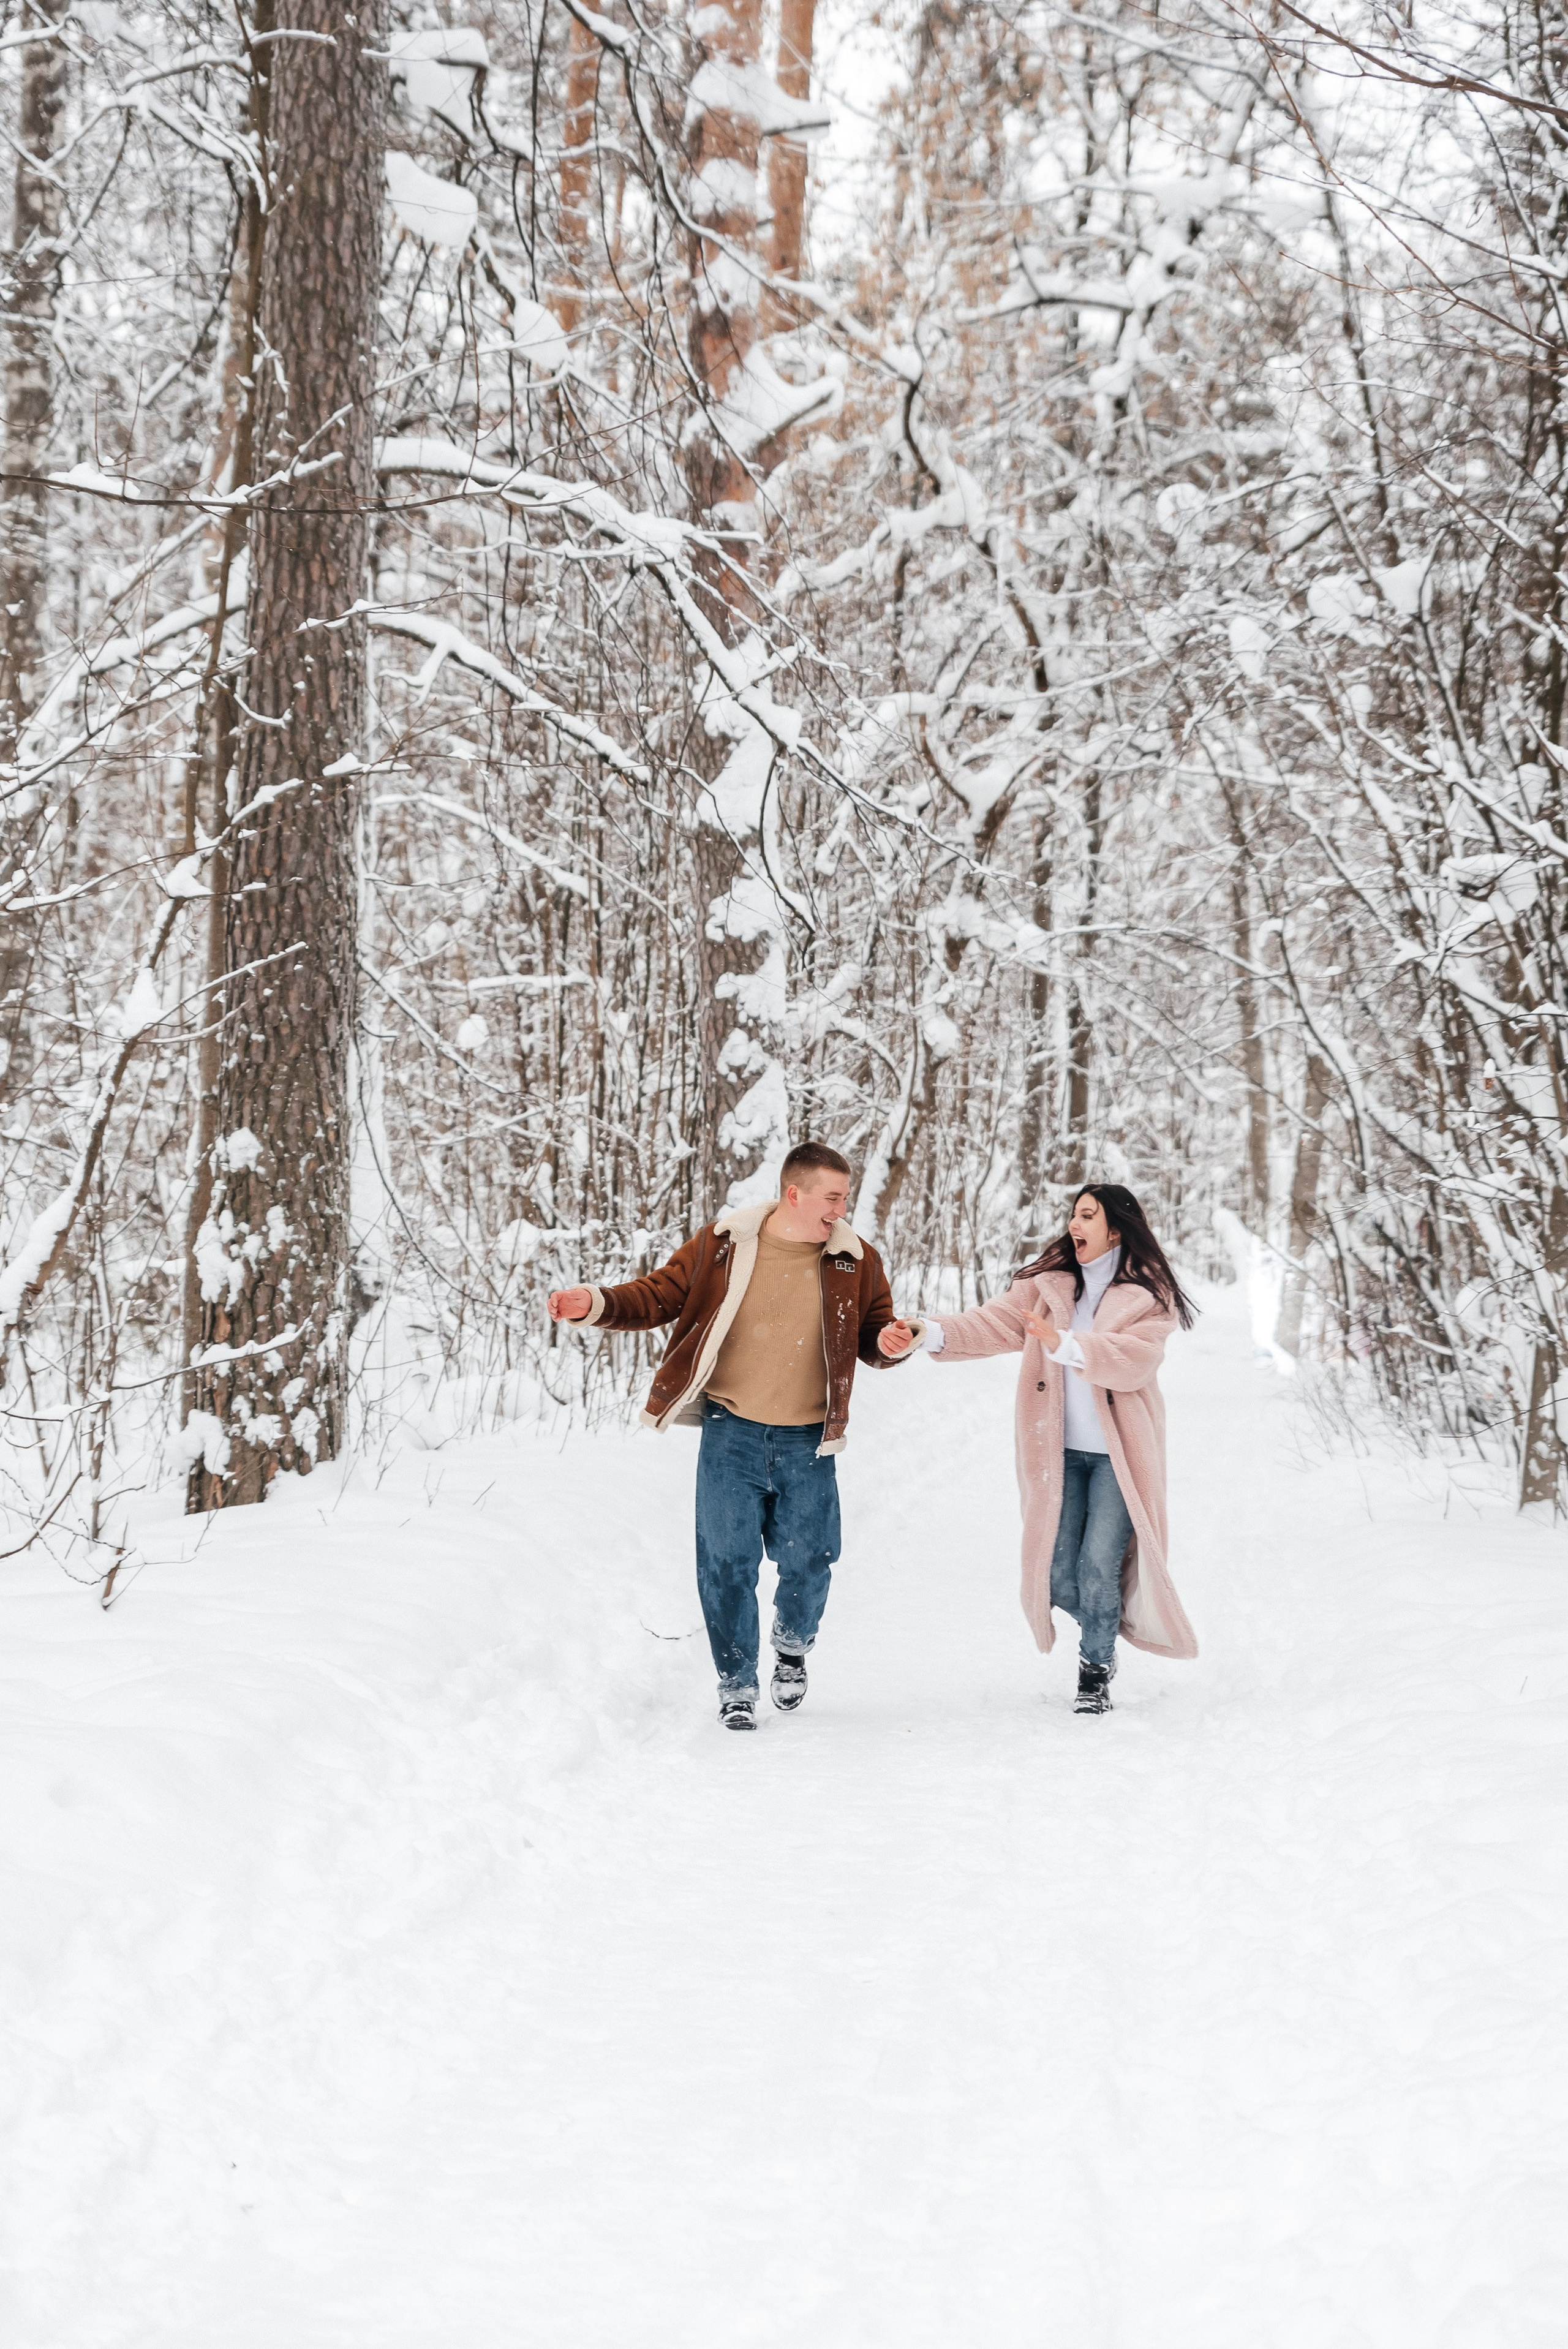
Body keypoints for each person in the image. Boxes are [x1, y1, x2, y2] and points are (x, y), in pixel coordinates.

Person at [548, 1142, 919, 1732]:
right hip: (732, 1432)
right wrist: (593, 1303)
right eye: (832, 1197)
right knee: (725, 1564)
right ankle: (737, 1682)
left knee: (811, 1562)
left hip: (809, 1441)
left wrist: (890, 1345)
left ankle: (793, 1645)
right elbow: (658, 1294)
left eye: (844, 1198)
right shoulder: (726, 1244)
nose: (841, 1208)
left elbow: (873, 1333)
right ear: (794, 1194)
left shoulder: (855, 1259)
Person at [921, 1182, 1198, 1713]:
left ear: (1115, 1229)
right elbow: (994, 1322)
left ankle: (1094, 1671)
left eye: (1087, 1215)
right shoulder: (1051, 1287)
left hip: (1118, 1459)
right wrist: (928, 1333)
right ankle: (1102, 1625)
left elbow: (1135, 1360)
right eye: (1073, 1214)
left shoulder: (1148, 1295)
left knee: (1099, 1567)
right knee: (1057, 1574)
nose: (1075, 1223)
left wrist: (1065, 1345)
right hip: (1059, 1454)